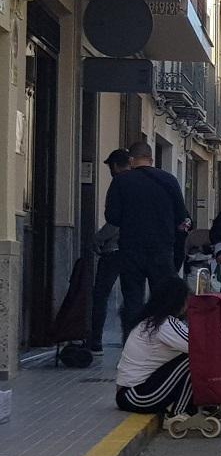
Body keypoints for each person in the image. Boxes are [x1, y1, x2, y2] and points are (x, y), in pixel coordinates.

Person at [104, 141, 190, 337]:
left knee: (133, 299)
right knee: (163, 299)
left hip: (131, 249)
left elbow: (112, 217)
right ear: (151, 159)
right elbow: (181, 214)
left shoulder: (121, 181)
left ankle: (132, 345)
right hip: (162, 249)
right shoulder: (169, 180)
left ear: (131, 160)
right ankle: (162, 341)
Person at [115, 277, 192, 420]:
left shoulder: (155, 321)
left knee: (192, 358)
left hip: (130, 393)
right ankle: (178, 413)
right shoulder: (164, 324)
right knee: (194, 360)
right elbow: (198, 346)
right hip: (135, 395)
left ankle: (191, 407)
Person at [90, 149, 132, 353]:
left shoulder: (119, 183)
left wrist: (98, 239)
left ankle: (95, 340)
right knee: (132, 296)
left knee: (100, 295)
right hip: (132, 251)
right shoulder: (137, 183)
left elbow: (115, 220)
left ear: (115, 165)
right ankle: (130, 343)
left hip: (113, 251)